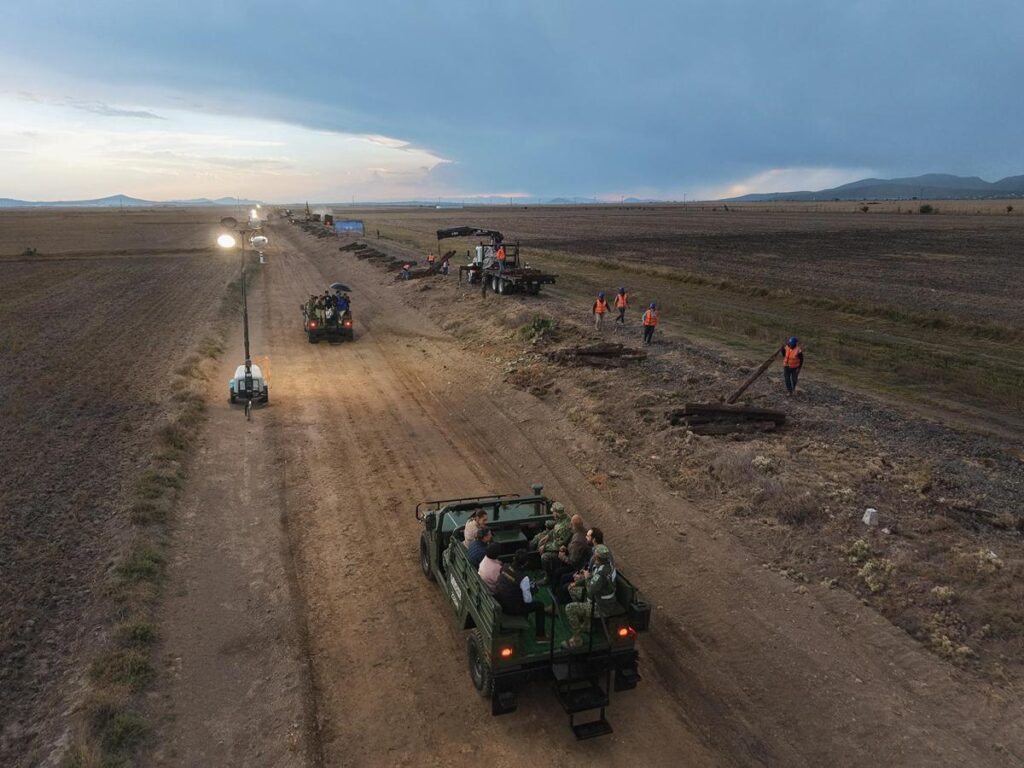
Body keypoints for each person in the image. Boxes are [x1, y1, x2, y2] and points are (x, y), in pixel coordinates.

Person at [563, 545, 617, 649]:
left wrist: (586, 577)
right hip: (599, 599)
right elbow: (592, 577)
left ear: (598, 558)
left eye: (595, 556)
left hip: (601, 607)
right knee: (573, 590)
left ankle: (577, 639)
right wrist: (577, 583)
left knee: (569, 608)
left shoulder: (602, 573)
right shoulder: (605, 566)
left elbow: (591, 589)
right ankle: (587, 624)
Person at [494, 550, 551, 641]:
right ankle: (541, 635)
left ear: (514, 558)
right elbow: (528, 600)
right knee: (540, 606)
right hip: (512, 609)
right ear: (525, 564)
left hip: (501, 602)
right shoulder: (523, 578)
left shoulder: (505, 567)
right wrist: (533, 590)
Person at [544, 514, 589, 580]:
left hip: (577, 566)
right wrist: (566, 548)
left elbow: (573, 562)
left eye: (571, 524)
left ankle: (554, 586)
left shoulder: (577, 541)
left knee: (557, 572)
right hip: (576, 559)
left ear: (575, 526)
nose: (569, 526)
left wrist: (563, 557)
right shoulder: (582, 532)